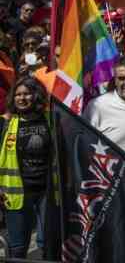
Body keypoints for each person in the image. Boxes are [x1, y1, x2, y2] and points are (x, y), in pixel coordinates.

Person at [0, 77, 59, 260]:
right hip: (15, 194)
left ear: (37, 95)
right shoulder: (5, 123)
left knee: (49, 243)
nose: (22, 98)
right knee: (18, 246)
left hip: (47, 192)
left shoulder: (51, 120)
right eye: (18, 94)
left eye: (27, 93)